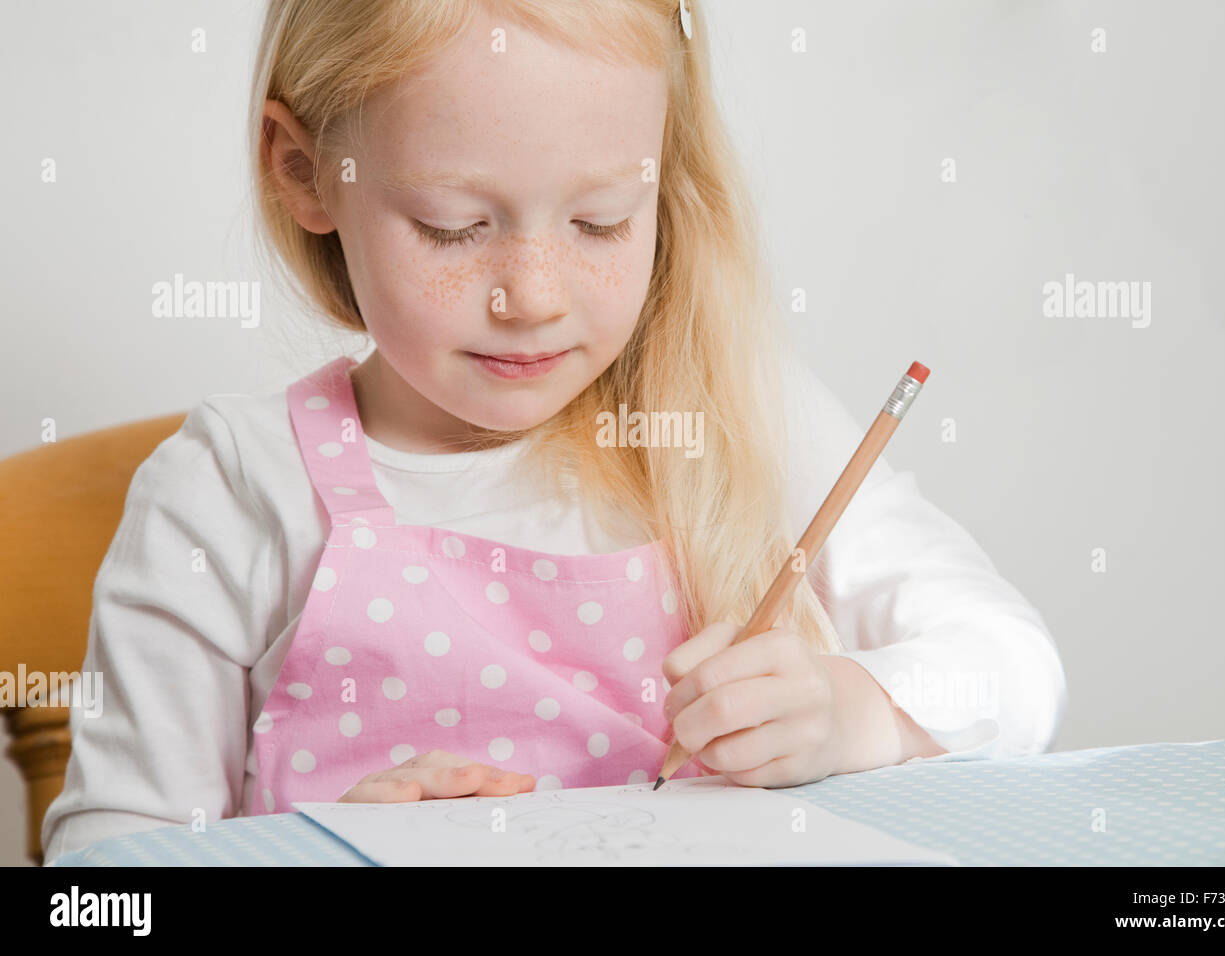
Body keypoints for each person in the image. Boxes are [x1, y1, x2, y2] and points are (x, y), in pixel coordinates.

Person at [42, 0, 1066, 862]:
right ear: (305, 170)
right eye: (453, 225)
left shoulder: (739, 415)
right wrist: (316, 850)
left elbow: (1015, 666)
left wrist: (857, 711)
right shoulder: (228, 491)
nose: (532, 296)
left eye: (601, 221)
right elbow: (105, 884)